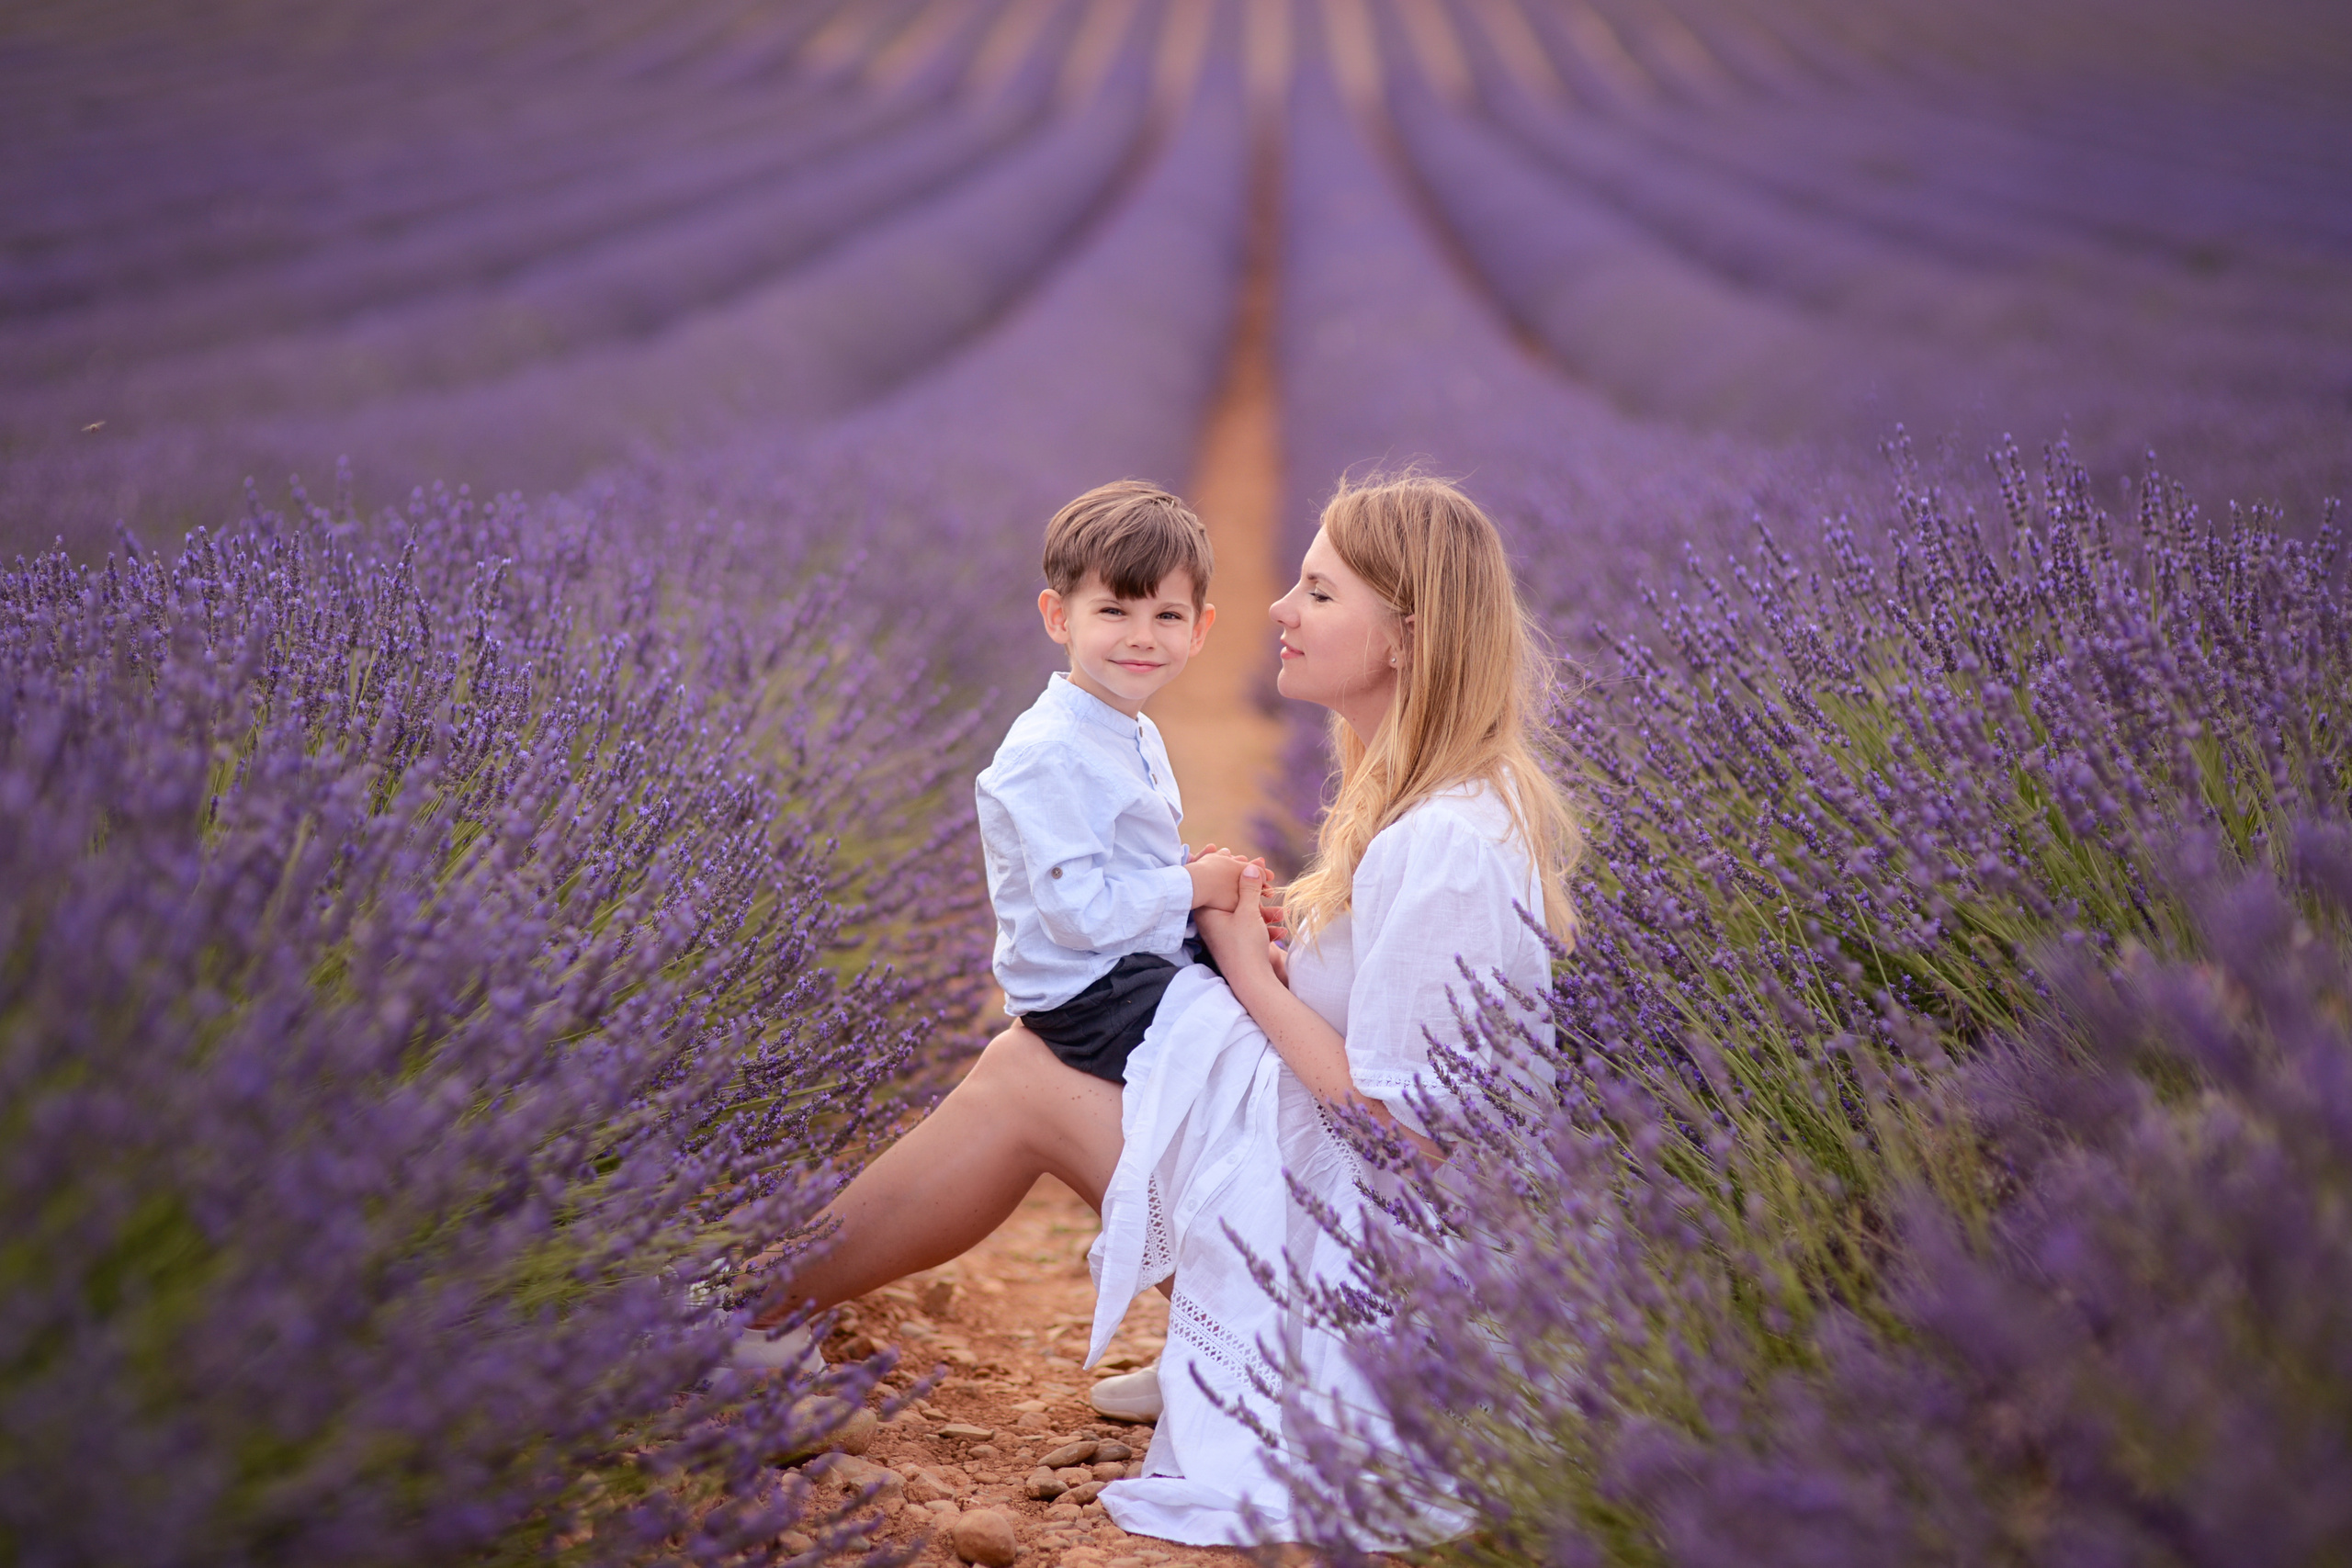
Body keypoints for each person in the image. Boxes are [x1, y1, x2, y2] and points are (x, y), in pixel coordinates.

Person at [746, 475, 1577, 1549]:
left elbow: (1407, 1133)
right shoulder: (1412, 793)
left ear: (1404, 638)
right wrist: (1270, 947)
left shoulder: (1450, 842)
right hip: (1338, 1183)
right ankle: (775, 1303)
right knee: (1053, 1052)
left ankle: (749, 1312)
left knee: (1028, 1072)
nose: (1277, 610)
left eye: (1317, 592)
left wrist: (1251, 972)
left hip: (1380, 1264)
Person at [736, 479, 1265, 1359]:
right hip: (1093, 994)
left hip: (1123, 969)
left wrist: (1198, 887)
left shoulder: (1124, 724)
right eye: (1115, 610)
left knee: (1237, 1056)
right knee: (1229, 1073)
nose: (1142, 636)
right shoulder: (1048, 751)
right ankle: (1243, 1341)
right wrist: (1193, 891)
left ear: (1203, 629)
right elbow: (1078, 909)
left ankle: (1224, 1339)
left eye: (1168, 617)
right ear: (1057, 616)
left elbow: (1118, 874)